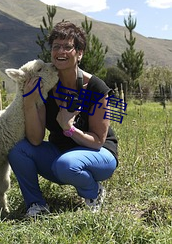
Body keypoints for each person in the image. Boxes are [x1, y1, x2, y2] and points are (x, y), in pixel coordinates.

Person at [8, 21, 118, 217]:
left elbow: (98, 141)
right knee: (18, 150)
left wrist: (69, 128)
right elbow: (35, 139)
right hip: (61, 155)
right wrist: (29, 103)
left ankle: (93, 192)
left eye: (68, 47)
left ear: (80, 53)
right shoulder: (47, 86)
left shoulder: (95, 88)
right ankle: (36, 205)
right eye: (56, 46)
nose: (61, 51)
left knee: (66, 165)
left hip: (99, 155)